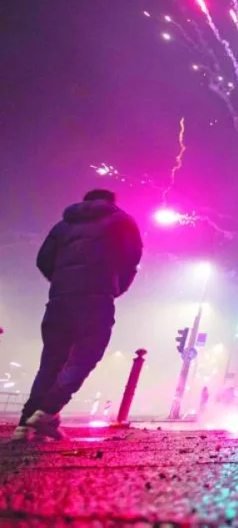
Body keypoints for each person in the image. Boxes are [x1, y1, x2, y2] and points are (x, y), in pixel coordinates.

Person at [13, 189, 143, 441]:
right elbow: (132, 257)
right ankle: (48, 410)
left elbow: (43, 260)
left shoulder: (63, 225)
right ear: (110, 201)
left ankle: (24, 426)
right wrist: (116, 286)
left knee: (51, 362)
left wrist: (63, 281)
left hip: (59, 300)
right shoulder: (121, 220)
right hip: (96, 297)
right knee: (86, 355)